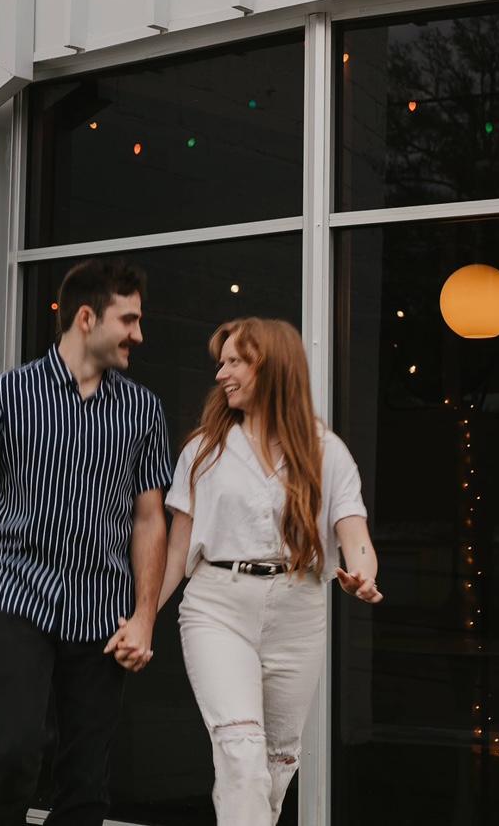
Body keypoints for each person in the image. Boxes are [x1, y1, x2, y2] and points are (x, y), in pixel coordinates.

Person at [110, 317, 380, 825]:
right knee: (241, 754)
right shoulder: (204, 450)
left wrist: (362, 573)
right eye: (222, 363)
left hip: (298, 614)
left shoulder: (327, 452)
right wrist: (143, 619)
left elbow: (354, 534)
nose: (221, 374)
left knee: (276, 764)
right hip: (218, 608)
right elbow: (176, 552)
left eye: (234, 362)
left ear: (270, 367)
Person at [0, 258, 171, 826]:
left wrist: (144, 617)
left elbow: (149, 520)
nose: (139, 335)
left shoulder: (143, 410)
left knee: (86, 779)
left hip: (102, 612)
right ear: (87, 318)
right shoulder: (9, 395)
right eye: (129, 320)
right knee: (14, 753)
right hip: (20, 597)